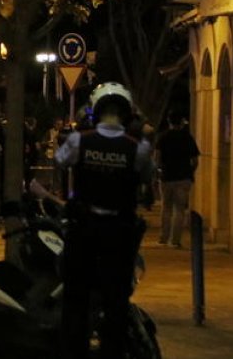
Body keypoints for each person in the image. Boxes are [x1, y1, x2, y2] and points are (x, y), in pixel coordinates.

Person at [54, 82, 153, 359]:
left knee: (75, 300)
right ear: (126, 114)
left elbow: (60, 160)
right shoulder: (137, 148)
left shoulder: (80, 140)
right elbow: (147, 176)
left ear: (96, 111)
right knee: (116, 301)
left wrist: (81, 130)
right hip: (119, 234)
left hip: (83, 230)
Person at [156, 110, 199, 248]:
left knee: (166, 208)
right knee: (179, 209)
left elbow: (157, 157)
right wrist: (190, 171)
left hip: (167, 177)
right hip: (183, 177)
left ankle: (164, 237)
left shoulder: (163, 137)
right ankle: (175, 240)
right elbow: (195, 160)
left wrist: (159, 170)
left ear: (169, 122)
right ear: (181, 122)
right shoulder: (188, 138)